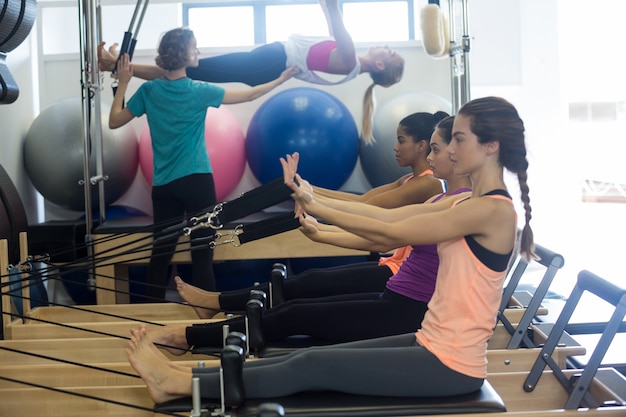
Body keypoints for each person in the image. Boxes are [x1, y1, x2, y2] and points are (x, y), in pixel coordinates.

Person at [126, 96, 534, 403]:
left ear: (490, 146)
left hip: (452, 364)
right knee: (306, 356)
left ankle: (177, 383)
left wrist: (317, 206)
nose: (447, 148)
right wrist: (315, 204)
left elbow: (395, 226)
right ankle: (188, 374)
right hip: (429, 341)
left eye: (459, 139)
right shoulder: (461, 202)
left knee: (312, 364)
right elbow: (387, 222)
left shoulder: (494, 212)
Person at [175, 111, 449, 319]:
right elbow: (363, 199)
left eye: (401, 141)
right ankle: (215, 303)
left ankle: (216, 303)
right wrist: (304, 187)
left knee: (307, 286)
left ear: (422, 146)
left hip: (399, 271)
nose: (395, 147)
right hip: (392, 265)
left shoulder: (429, 184)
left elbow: (372, 210)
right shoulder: (409, 180)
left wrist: (310, 200)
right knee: (306, 283)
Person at [109, 27, 298, 301]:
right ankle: (208, 317)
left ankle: (147, 316)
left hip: (163, 186)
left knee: (160, 253)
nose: (198, 52)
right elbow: (250, 94)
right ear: (183, 54)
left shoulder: (149, 90)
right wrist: (280, 80)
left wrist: (124, 82)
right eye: (194, 47)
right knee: (202, 252)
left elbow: (114, 120)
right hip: (197, 180)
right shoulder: (199, 91)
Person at [99, 0, 404, 143]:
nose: (384, 46)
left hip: (271, 61)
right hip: (269, 62)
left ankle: (114, 64)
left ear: (379, 65)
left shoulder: (350, 58)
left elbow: (332, 8)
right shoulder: (349, 65)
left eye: (387, 53)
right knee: (189, 71)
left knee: (187, 68)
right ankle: (115, 64)